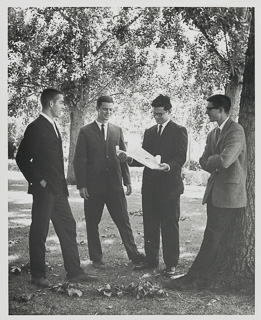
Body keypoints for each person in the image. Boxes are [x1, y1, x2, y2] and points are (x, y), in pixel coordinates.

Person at [163, 94, 247, 290]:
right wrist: (213, 162)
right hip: (215, 193)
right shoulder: (213, 133)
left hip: (229, 196)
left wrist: (213, 161)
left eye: (209, 108)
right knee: (215, 238)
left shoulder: (236, 131)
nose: (206, 111)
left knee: (212, 237)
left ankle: (192, 279)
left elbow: (225, 160)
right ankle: (203, 279)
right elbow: (202, 160)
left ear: (220, 110)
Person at [16, 88, 98, 287]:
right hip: (44, 190)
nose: (63, 106)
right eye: (61, 102)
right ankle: (38, 274)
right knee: (40, 231)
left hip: (58, 189)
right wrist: (39, 181)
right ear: (51, 103)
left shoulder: (53, 125)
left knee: (68, 226)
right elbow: (22, 158)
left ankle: (75, 272)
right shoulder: (36, 127)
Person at [118, 94, 188, 277]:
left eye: (160, 114)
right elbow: (144, 158)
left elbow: (180, 157)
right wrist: (130, 159)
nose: (157, 117)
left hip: (169, 187)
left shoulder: (179, 130)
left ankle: (171, 264)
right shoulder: (149, 132)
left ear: (169, 111)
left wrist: (169, 166)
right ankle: (151, 260)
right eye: (154, 114)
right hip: (149, 187)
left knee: (169, 225)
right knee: (150, 225)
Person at [73, 95, 145, 268]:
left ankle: (134, 256)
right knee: (92, 223)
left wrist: (127, 181)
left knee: (124, 221)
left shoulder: (117, 130)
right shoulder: (85, 131)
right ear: (98, 109)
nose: (108, 112)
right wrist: (82, 185)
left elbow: (123, 157)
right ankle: (96, 259)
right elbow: (79, 160)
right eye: (105, 109)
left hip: (114, 186)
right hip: (93, 187)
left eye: (111, 110)